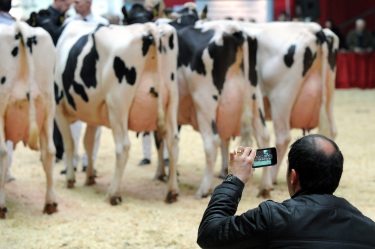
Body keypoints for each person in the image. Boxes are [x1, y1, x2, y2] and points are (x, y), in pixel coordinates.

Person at [197, 134, 375, 248]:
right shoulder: (368, 230)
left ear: (293, 177)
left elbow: (209, 234)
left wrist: (234, 179)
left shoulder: (272, 218)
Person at [60, 0, 108, 174]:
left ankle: (90, 162)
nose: (75, 5)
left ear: (89, 2)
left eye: (79, 1)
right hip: (72, 81)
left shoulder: (103, 24)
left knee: (95, 125)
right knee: (73, 125)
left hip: (96, 81)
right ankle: (71, 162)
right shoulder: (69, 24)